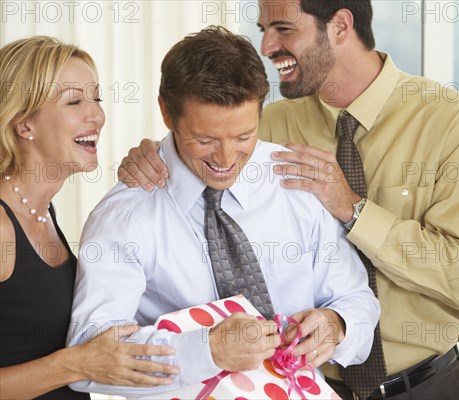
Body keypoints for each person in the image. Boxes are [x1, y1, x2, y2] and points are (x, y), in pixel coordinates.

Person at [119, 1, 459, 399]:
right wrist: (153, 158)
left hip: (425, 387)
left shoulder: (451, 122)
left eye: (283, 29)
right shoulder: (265, 126)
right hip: (299, 384)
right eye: (263, 28)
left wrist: (352, 208)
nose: (266, 46)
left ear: (339, 26)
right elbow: (197, 153)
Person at [66, 25, 379, 397]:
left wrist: (337, 325)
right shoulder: (125, 216)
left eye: (243, 137)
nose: (226, 160)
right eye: (205, 139)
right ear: (166, 113)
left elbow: (356, 300)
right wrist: (205, 350)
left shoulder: (296, 184)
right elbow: (89, 355)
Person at [0, 36, 179, 399]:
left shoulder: (42, 213)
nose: (96, 115)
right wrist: (76, 364)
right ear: (23, 124)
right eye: (74, 101)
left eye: (96, 98)